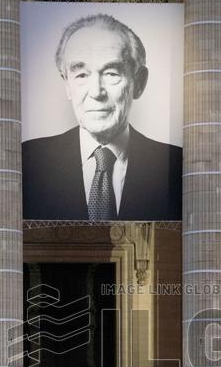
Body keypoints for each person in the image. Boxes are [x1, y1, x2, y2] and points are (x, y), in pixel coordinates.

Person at [22, 13, 182, 221]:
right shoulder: (27, 162)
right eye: (81, 75)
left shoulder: (177, 167)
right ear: (67, 84)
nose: (96, 92)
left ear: (139, 82)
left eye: (112, 74)